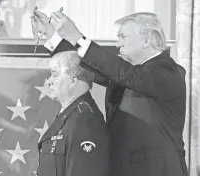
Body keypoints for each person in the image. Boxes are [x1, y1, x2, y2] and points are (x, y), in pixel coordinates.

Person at [32, 10, 188, 176]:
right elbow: (83, 66)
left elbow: (124, 73)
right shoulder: (128, 74)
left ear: (147, 41)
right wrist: (51, 34)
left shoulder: (169, 73)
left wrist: (76, 37)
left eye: (123, 37)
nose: (118, 43)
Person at [36, 51, 110, 176]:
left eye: (55, 75)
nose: (49, 81)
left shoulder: (85, 120)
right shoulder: (70, 113)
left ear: (73, 80)